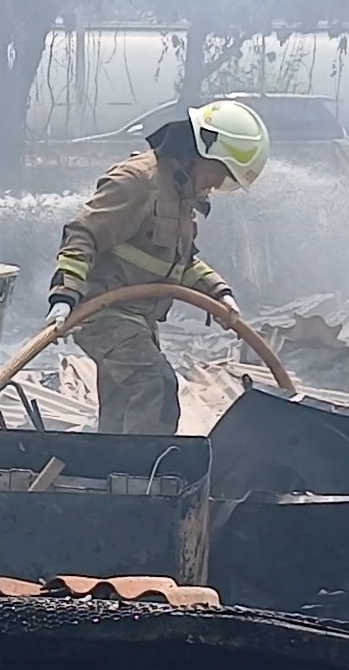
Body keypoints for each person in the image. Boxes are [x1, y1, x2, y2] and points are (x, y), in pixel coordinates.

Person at [46, 99, 270, 436]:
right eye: (220, 173)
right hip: (101, 314)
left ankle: (110, 476)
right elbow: (83, 234)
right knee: (155, 385)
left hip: (136, 321)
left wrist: (218, 293)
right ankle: (143, 479)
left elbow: (182, 262)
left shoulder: (178, 194)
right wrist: (65, 295)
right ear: (202, 152)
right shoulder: (139, 180)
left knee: (123, 409)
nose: (215, 185)